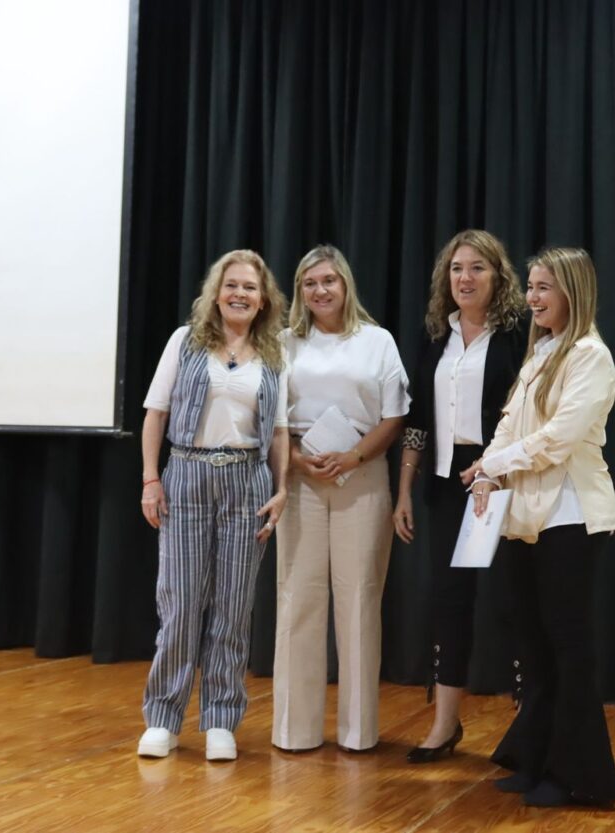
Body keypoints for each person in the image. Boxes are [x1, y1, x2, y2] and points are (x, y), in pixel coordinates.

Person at [467, 246, 615, 807]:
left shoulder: (590, 356)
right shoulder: (543, 352)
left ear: (571, 292)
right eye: (530, 287)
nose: (532, 297)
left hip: (572, 518)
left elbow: (559, 438)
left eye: (543, 288)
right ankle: (537, 758)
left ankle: (577, 775)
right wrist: (486, 473)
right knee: (532, 644)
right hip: (525, 517)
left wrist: (493, 465)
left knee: (568, 647)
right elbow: (509, 427)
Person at [137, 249, 290, 762]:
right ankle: (163, 716)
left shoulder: (274, 354)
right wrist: (150, 479)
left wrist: (282, 487)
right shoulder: (185, 342)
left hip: (246, 480)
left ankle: (221, 718)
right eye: (232, 286)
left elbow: (281, 432)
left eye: (249, 287)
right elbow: (155, 414)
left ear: (263, 298)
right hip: (187, 473)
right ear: (216, 292)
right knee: (179, 602)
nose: (240, 294)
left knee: (232, 604)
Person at [393, 229, 529, 763]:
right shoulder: (437, 339)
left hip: (503, 481)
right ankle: (445, 725)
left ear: (498, 276)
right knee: (449, 604)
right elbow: (418, 422)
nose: (465, 278)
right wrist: (404, 487)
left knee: (516, 603)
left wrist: (496, 469)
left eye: (477, 268)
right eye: (456, 269)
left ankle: (528, 727)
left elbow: (526, 414)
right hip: (448, 486)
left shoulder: (520, 336)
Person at [271, 244, 409, 752]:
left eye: (329, 280)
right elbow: (271, 416)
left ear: (345, 284)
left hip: (362, 474)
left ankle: (358, 732)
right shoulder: (284, 342)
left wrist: (353, 456)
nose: (320, 290)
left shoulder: (377, 341)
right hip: (302, 474)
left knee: (358, 599)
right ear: (300, 291)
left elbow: (395, 416)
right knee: (298, 598)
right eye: (309, 283)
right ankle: (294, 729)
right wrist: (296, 458)